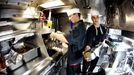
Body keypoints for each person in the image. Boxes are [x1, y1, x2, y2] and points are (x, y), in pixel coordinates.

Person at [50, 8, 86, 75]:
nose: (69, 19)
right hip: (77, 58)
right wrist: (60, 33)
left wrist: (54, 34)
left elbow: (67, 39)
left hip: (74, 60)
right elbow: (71, 36)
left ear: (76, 14)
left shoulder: (79, 27)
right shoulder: (80, 25)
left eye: (70, 16)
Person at [82, 9, 107, 75]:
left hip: (98, 51)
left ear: (99, 17)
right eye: (94, 17)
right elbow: (88, 43)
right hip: (89, 51)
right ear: (91, 19)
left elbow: (104, 39)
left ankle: (90, 73)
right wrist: (87, 54)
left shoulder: (103, 28)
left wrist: (104, 42)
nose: (96, 19)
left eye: (97, 17)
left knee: (93, 66)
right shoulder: (90, 30)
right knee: (85, 68)